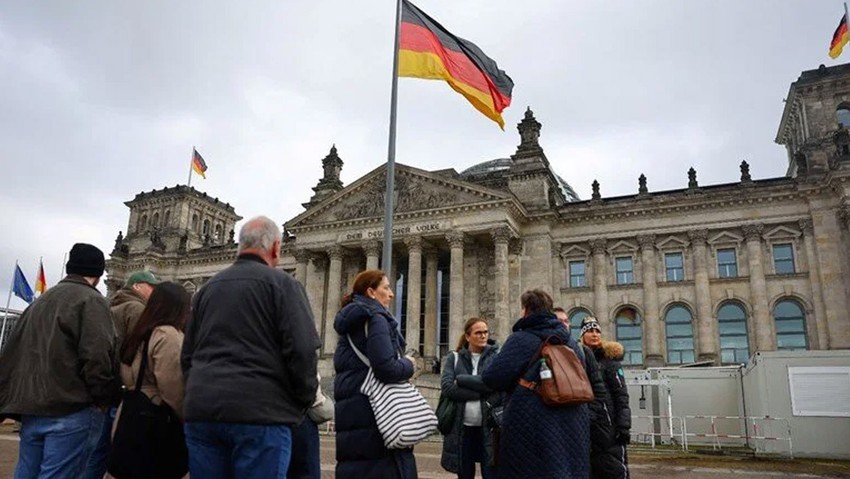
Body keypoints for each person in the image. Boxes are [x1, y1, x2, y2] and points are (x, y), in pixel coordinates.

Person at [181, 216, 320, 479]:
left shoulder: (207, 289)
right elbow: (302, 350)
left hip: (203, 412)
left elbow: (187, 355)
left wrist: (196, 394)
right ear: (277, 248)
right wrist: (302, 401)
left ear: (239, 246)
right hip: (261, 414)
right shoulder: (285, 285)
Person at [0, 243, 115, 479]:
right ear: (98, 273)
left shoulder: (39, 302)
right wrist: (103, 398)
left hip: (33, 408)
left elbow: (12, 353)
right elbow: (97, 355)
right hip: (72, 408)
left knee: (26, 473)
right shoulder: (91, 300)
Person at [481, 289, 590, 479]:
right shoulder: (572, 344)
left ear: (526, 310)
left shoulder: (522, 339)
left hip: (533, 424)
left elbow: (492, 378)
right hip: (573, 423)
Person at [333, 269, 420, 479]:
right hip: (378, 414)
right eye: (387, 288)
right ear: (371, 292)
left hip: (352, 412)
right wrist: (409, 364)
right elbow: (386, 369)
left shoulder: (349, 323)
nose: (391, 294)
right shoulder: (376, 318)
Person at [86, 270, 162, 479]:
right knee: (124, 452)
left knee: (97, 452)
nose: (154, 291)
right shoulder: (137, 309)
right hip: (124, 389)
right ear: (137, 286)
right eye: (151, 287)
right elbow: (140, 350)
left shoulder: (108, 305)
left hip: (103, 387)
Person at [440, 317, 501, 479]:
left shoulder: (496, 357)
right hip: (461, 428)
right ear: (468, 336)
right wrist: (481, 392)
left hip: (489, 428)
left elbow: (497, 385)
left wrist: (461, 380)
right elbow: (447, 388)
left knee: (491, 473)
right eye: (478, 332)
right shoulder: (455, 358)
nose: (483, 336)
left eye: (485, 332)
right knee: (465, 474)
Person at [580, 317, 631, 479]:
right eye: (589, 331)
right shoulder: (578, 360)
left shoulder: (610, 362)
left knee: (614, 470)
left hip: (610, 428)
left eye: (597, 331)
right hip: (588, 426)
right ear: (582, 335)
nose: (594, 334)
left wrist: (623, 426)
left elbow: (621, 396)